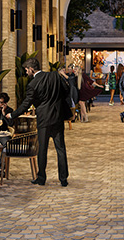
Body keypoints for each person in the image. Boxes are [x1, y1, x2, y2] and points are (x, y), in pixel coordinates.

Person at [7, 57, 72, 186]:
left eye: (26, 70)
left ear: (31, 69)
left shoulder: (32, 84)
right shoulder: (54, 75)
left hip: (44, 119)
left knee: (42, 149)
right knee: (61, 148)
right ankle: (63, 179)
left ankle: (41, 178)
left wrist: (13, 114)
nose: (26, 73)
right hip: (57, 116)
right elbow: (66, 90)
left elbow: (26, 104)